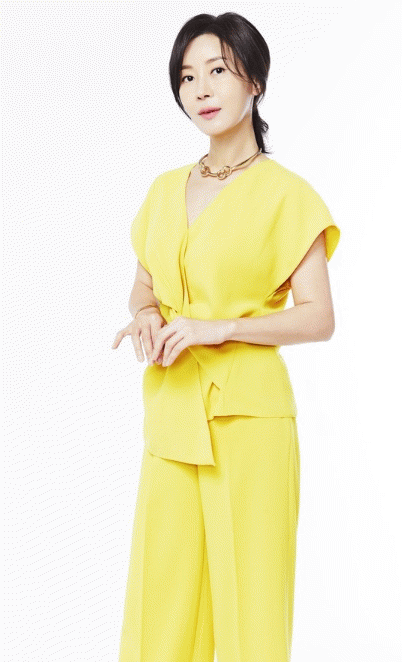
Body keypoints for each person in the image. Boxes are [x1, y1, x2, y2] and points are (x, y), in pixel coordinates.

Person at [113, 12, 340, 662]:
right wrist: (146, 315)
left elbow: (319, 316)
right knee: (160, 607)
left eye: (218, 70)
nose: (201, 89)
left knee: (251, 607)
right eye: (188, 76)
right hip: (171, 418)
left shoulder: (286, 195)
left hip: (250, 420)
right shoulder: (163, 192)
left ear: (255, 81)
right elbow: (143, 287)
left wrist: (220, 328)